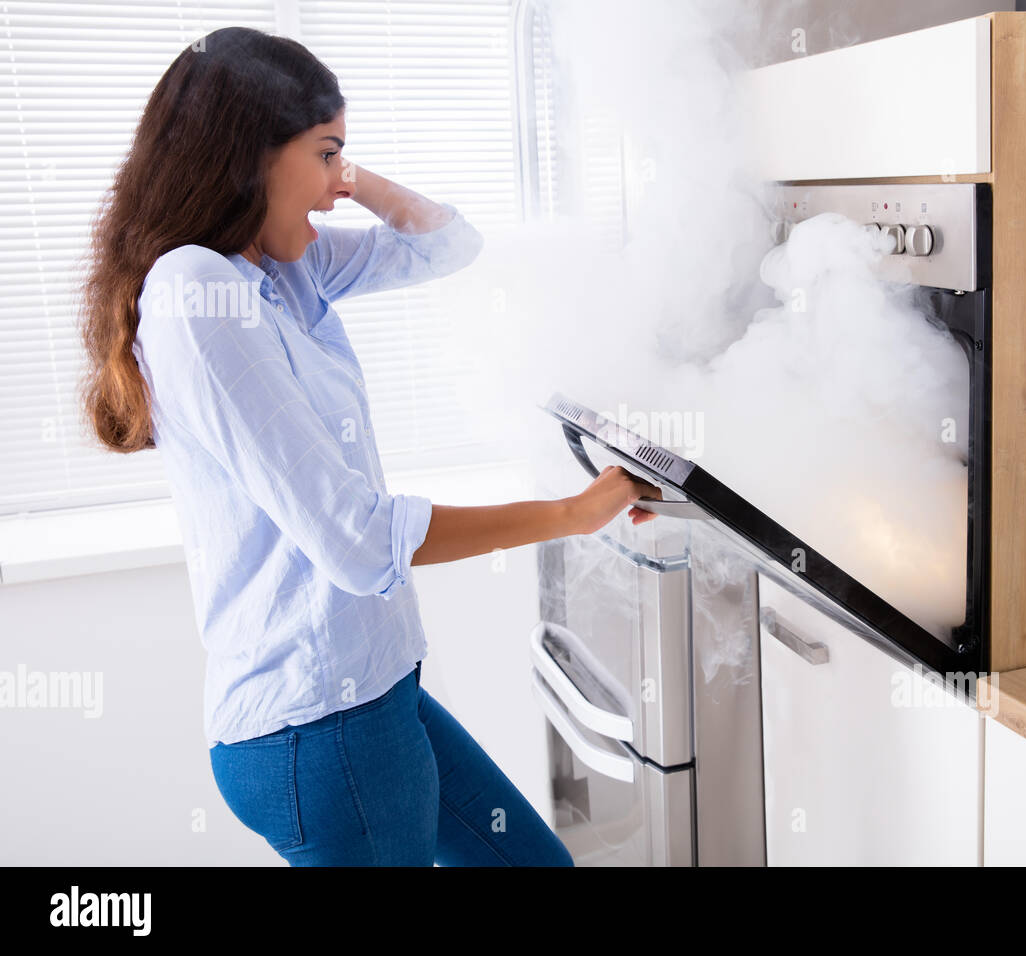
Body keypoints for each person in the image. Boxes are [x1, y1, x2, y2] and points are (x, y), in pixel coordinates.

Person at [78, 26, 662, 866]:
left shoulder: (276, 267)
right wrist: (574, 514)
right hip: (322, 731)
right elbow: (356, 540)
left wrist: (340, 170)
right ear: (247, 155)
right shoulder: (199, 291)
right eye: (323, 156)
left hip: (374, 697)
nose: (331, 189)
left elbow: (446, 244)